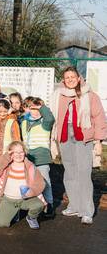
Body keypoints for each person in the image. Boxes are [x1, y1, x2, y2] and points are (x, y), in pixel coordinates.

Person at [49, 66, 106, 225]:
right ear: (63, 80)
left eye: (72, 77)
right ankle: (74, 205)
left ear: (79, 78)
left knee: (83, 172)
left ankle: (87, 211)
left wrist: (98, 142)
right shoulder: (58, 95)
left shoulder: (90, 95)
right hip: (65, 135)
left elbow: (99, 118)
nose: (70, 80)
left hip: (83, 136)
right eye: (67, 78)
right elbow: (53, 116)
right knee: (70, 171)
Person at [0, 141, 46, 229]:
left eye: (21, 152)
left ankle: (31, 217)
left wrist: (32, 192)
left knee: (39, 205)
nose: (18, 155)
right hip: (9, 200)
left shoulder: (30, 167)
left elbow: (41, 183)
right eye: (15, 152)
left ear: (25, 152)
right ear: (10, 153)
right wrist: (6, 156)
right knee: (1, 223)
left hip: (24, 199)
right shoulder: (6, 165)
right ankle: (14, 212)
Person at [21, 97, 55, 216]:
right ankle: (34, 204)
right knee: (29, 182)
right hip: (28, 157)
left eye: (37, 109)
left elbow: (50, 118)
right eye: (32, 108)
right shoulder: (24, 122)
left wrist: (41, 107)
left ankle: (49, 204)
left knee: (45, 181)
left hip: (42, 157)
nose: (34, 111)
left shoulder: (44, 122)